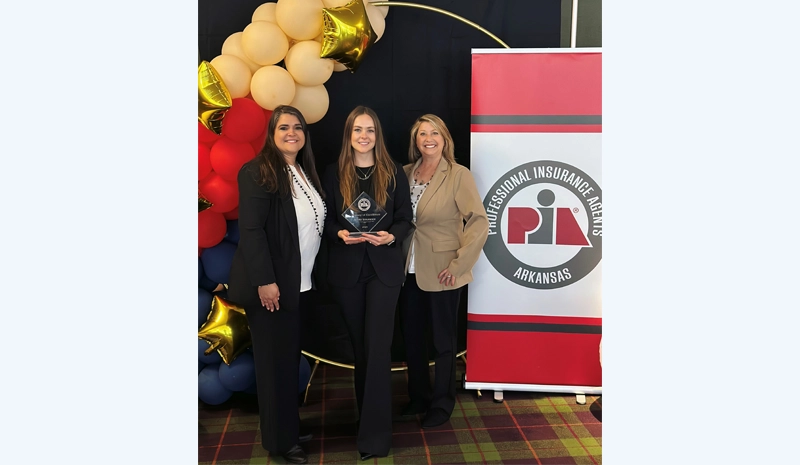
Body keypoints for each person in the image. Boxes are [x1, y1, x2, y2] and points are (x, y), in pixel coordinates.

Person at [227, 105, 326, 465]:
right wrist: (265, 282)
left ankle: (288, 426)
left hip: (296, 284)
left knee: (286, 362)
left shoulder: (301, 169)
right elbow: (251, 232)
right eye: (283, 127)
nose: (291, 132)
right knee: (273, 367)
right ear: (271, 132)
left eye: (297, 127)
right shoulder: (257, 171)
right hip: (270, 289)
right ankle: (279, 443)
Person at [322, 106, 413, 461]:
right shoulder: (333, 173)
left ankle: (375, 437)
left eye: (370, 130)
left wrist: (390, 236)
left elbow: (406, 218)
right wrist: (339, 234)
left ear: (378, 135)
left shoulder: (392, 173)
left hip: (383, 273)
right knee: (362, 351)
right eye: (358, 130)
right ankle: (368, 423)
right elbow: (327, 222)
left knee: (377, 350)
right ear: (348, 135)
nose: (364, 136)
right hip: (347, 274)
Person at [399, 114, 489, 428]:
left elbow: (478, 221)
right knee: (412, 338)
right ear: (416, 140)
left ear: (444, 138)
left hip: (444, 269)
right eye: (422, 133)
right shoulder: (404, 172)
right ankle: (418, 397)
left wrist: (459, 264)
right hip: (406, 268)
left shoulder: (458, 174)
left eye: (434, 132)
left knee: (443, 341)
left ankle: (441, 402)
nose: (428, 138)